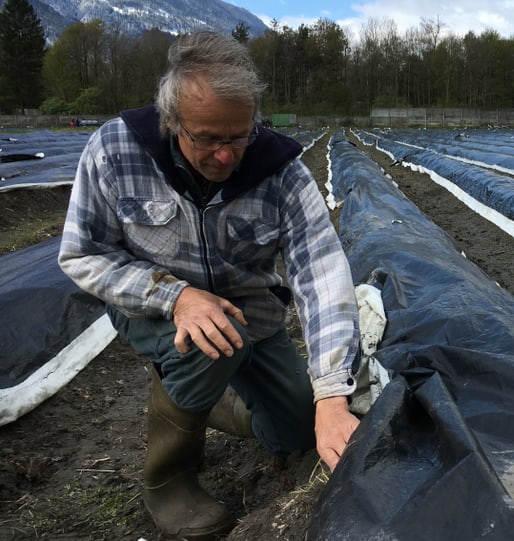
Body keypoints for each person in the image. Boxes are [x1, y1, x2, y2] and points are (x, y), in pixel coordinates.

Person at [58, 30, 361, 540]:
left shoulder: (280, 171)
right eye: (208, 139)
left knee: (293, 432)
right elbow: (82, 252)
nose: (225, 156)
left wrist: (332, 396)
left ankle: (209, 397)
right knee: (213, 345)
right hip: (150, 305)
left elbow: (322, 275)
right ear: (173, 122)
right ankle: (168, 479)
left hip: (250, 311)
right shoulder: (117, 148)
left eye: (238, 136)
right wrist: (174, 296)